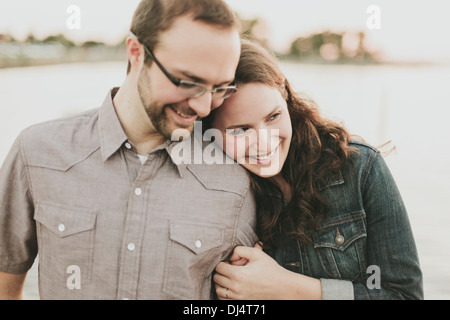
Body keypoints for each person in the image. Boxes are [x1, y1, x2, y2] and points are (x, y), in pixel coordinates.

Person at [0, 0, 258, 300]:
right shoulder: (37, 153)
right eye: (187, 82)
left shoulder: (237, 182)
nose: (202, 107)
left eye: (219, 88)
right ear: (136, 52)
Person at [209, 38, 423, 300]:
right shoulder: (219, 190)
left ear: (287, 101)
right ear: (211, 134)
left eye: (273, 117)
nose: (264, 143)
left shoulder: (359, 168)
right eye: (240, 130)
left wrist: (285, 288)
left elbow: (405, 295)